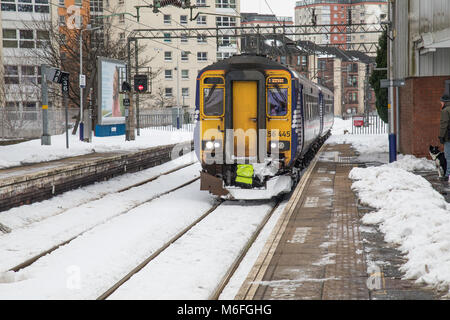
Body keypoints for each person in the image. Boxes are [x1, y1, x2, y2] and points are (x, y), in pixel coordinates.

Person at [438, 94, 450, 181]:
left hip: (448, 137)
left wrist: (441, 136)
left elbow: (444, 124)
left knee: (448, 157)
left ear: (445, 102)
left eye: (441, 102)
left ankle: (448, 174)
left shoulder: (445, 111)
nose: (441, 103)